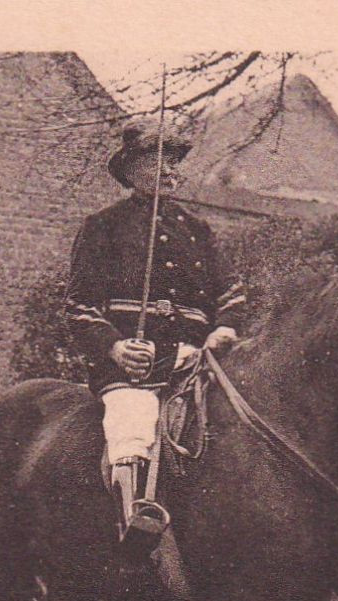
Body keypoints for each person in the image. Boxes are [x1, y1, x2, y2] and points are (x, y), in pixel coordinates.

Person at [65, 119, 248, 556]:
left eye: (175, 160)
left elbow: (232, 292)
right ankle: (136, 520)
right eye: (158, 160)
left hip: (195, 357)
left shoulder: (198, 231)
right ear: (131, 171)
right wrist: (114, 346)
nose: (171, 170)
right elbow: (79, 306)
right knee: (133, 418)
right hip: (133, 362)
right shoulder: (103, 227)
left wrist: (223, 326)